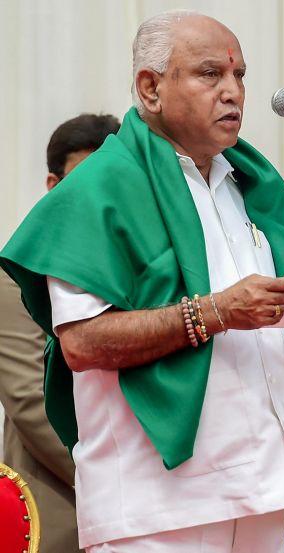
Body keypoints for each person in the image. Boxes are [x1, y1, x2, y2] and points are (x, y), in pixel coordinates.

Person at [1, 10, 284, 553]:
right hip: (156, 506)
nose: (233, 92)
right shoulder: (98, 188)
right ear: (150, 87)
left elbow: (243, 330)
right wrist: (216, 312)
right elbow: (80, 342)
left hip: (263, 487)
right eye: (210, 74)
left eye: (240, 76)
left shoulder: (248, 185)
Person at [0, 113, 120, 553]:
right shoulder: (14, 277)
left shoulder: (134, 268)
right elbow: (31, 401)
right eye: (85, 179)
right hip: (62, 514)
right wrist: (120, 481)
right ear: (53, 185)